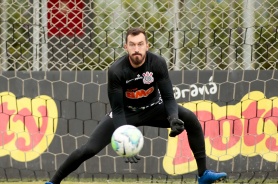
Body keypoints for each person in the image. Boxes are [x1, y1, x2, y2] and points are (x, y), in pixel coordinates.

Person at [45, 27, 227, 184]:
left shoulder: (157, 63)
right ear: (126, 47)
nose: (136, 49)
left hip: (154, 108)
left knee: (190, 119)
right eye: (132, 44)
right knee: (88, 149)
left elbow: (169, 98)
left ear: (147, 46)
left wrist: (172, 118)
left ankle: (203, 175)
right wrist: (123, 137)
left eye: (140, 44)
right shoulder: (116, 70)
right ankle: (53, 181)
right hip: (126, 113)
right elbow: (116, 109)